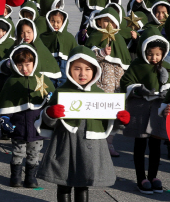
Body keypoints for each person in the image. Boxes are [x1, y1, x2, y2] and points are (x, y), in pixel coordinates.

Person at [37, 46, 130, 202]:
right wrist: (50, 114)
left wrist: (120, 120)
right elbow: (46, 121)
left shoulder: (100, 95)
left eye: (88, 69)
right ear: (69, 69)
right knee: (63, 182)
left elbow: (107, 124)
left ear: (95, 70)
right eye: (77, 68)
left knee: (83, 183)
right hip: (65, 144)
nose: (82, 73)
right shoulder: (61, 92)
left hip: (90, 146)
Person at [120, 28, 170, 194]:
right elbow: (126, 82)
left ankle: (153, 176)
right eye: (150, 54)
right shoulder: (137, 65)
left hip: (158, 109)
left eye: (158, 54)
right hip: (140, 108)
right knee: (140, 143)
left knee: (156, 144)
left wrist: (167, 90)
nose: (154, 58)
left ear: (163, 53)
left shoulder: (166, 66)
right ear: (144, 51)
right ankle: (140, 178)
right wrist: (137, 89)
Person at [0, 45, 55, 188]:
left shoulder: (42, 79)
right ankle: (15, 177)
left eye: (27, 64)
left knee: (34, 154)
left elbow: (51, 102)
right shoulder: (11, 81)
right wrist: (6, 118)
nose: (24, 68)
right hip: (19, 126)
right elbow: (7, 102)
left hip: (36, 127)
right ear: (14, 65)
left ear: (34, 63)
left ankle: (31, 177)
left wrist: (51, 100)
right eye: (20, 65)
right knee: (17, 153)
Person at [39, 9, 77, 87]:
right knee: (50, 86)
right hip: (49, 66)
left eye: (58, 22)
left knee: (64, 86)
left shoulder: (69, 37)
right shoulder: (43, 37)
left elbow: (75, 53)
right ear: (48, 21)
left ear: (63, 22)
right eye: (52, 21)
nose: (55, 24)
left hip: (64, 66)